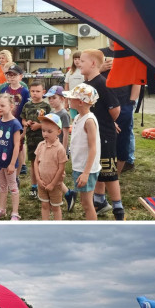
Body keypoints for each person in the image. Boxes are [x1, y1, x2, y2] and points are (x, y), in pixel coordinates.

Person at [79, 49, 123, 220]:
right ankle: (100, 201)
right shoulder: (87, 83)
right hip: (93, 133)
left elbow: (115, 109)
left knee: (109, 172)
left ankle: (118, 208)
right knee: (96, 169)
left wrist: (107, 122)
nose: (79, 63)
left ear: (93, 63)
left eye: (82, 61)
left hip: (105, 134)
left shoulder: (103, 83)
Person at [65, 83, 100, 220]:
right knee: (84, 202)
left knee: (87, 204)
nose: (69, 100)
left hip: (87, 169)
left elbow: (93, 148)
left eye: (72, 98)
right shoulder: (78, 118)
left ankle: (92, 230)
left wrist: (86, 173)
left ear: (80, 102)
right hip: (79, 166)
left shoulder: (89, 121)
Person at [0, 94, 22, 221]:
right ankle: (1, 209)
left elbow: (16, 145)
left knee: (13, 187)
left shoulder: (15, 124)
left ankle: (15, 212)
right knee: (2, 186)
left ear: (11, 106)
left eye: (3, 105)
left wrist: (12, 163)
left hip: (9, 162)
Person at [45, 86, 76, 212]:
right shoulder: (51, 113)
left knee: (55, 175)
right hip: (49, 147)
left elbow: (65, 134)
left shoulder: (64, 114)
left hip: (58, 149)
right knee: (51, 174)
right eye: (50, 98)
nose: (51, 101)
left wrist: (64, 151)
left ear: (62, 99)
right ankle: (67, 194)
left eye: (54, 98)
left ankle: (68, 194)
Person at [21, 80, 52, 200]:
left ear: (43, 92)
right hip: (31, 140)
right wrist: (26, 123)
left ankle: (45, 185)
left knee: (44, 163)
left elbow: (50, 122)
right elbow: (23, 119)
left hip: (43, 140)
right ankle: (34, 187)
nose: (35, 93)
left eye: (38, 91)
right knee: (33, 163)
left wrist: (39, 125)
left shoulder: (46, 106)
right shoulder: (27, 105)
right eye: (32, 91)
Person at [35, 114, 68, 221]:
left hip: (55, 185)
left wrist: (53, 184)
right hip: (42, 184)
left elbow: (61, 168)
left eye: (49, 131)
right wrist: (38, 180)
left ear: (58, 132)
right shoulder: (40, 145)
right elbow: (36, 163)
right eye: (43, 130)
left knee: (55, 207)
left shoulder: (60, 149)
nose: (45, 134)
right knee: (44, 205)